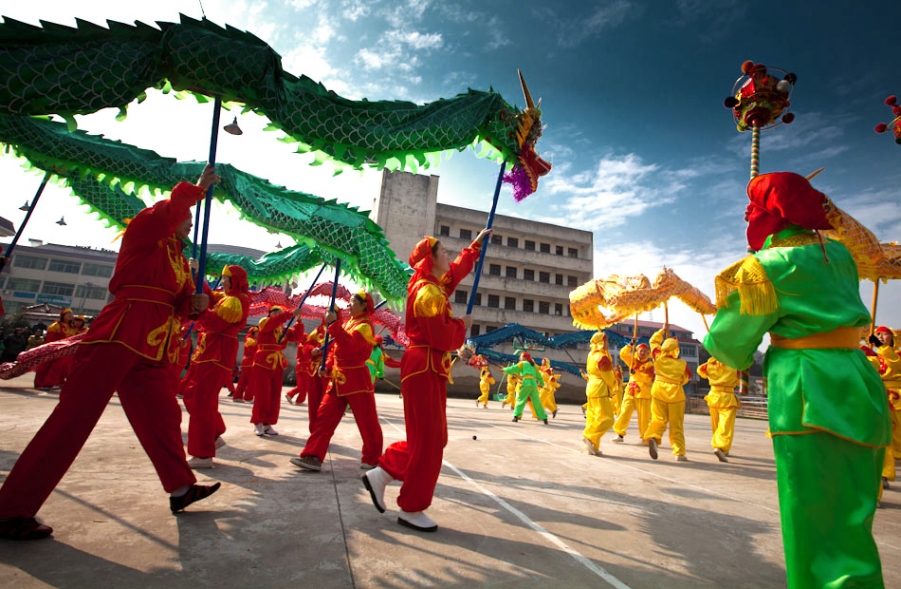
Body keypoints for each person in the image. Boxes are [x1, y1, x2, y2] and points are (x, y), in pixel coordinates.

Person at [0, 165, 222, 541]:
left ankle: (181, 488)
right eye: (186, 217)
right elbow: (164, 215)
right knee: (73, 420)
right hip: (117, 337)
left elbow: (177, 305)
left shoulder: (181, 259)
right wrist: (195, 191)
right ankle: (10, 510)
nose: (189, 224)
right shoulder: (145, 232)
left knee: (163, 417)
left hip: (151, 346)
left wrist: (195, 303)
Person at [704, 171, 891, 588]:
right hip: (859, 380)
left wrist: (736, 288)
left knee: (814, 518)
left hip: (810, 390)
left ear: (769, 215)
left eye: (753, 206)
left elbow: (729, 345)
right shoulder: (840, 255)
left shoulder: (767, 267)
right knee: (852, 518)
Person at [362, 229, 488, 533]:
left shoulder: (431, 285)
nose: (448, 255)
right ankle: (411, 506)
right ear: (430, 260)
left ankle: (383, 474)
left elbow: (454, 274)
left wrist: (473, 249)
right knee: (429, 441)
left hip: (426, 366)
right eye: (443, 251)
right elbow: (442, 336)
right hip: (424, 364)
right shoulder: (428, 293)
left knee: (432, 439)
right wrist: (462, 324)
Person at [292, 291, 383, 471]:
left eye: (352, 302)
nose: (348, 305)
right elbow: (336, 350)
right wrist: (326, 364)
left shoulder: (365, 326)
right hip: (337, 377)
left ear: (363, 305)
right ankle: (313, 455)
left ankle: (373, 458)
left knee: (367, 422)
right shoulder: (349, 323)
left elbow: (350, 347)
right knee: (323, 419)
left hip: (356, 378)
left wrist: (334, 324)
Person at [181, 265, 250, 469]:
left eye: (226, 278)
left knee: (202, 401)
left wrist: (202, 310)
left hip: (216, 355)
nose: (223, 281)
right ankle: (215, 433)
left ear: (235, 280)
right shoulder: (227, 298)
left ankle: (202, 454)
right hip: (206, 353)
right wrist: (196, 274)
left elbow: (215, 323)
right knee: (192, 395)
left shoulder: (237, 301)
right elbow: (210, 297)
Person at [249, 305, 302, 436]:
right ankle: (258, 422)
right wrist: (288, 314)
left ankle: (268, 422)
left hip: (277, 363)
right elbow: (272, 323)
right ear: (270, 313)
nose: (278, 315)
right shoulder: (264, 322)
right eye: (276, 312)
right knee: (263, 394)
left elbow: (296, 336)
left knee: (274, 396)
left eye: (280, 313)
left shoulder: (283, 330)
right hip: (262, 362)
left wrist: (299, 321)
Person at [861, 326, 901, 494]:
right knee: (883, 438)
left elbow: (893, 365)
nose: (881, 336)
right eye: (878, 334)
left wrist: (882, 348)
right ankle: (882, 475)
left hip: (897, 399)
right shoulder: (872, 355)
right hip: (878, 397)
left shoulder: (896, 355)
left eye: (884, 334)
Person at [644, 327, 691, 461]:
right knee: (676, 424)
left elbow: (653, 341)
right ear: (676, 349)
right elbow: (685, 378)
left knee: (658, 419)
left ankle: (653, 436)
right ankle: (679, 452)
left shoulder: (657, 356)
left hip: (658, 390)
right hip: (675, 394)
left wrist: (662, 331)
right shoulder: (682, 363)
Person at [698, 356, 740, 462]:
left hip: (713, 396)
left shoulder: (708, 366)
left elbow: (700, 371)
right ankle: (721, 447)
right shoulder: (734, 366)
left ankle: (719, 447)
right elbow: (741, 379)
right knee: (726, 425)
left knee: (715, 424)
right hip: (727, 397)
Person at [612, 342, 654, 443]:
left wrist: (637, 373)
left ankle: (645, 438)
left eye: (645, 351)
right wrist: (630, 345)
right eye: (641, 351)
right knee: (624, 412)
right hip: (631, 390)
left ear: (648, 353)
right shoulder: (633, 360)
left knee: (644, 417)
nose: (643, 353)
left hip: (643, 392)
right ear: (637, 351)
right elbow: (623, 354)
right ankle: (620, 434)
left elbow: (649, 379)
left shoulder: (649, 365)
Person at [582, 332, 616, 456]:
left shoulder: (591, 355)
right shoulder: (602, 358)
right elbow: (608, 377)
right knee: (607, 419)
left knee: (593, 418)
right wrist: (614, 386)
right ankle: (590, 437)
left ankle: (593, 447)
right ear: (601, 343)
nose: (608, 344)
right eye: (606, 341)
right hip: (601, 389)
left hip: (591, 388)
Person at [32, 308, 76, 389]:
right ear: (63, 316)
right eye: (68, 314)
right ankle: (41, 383)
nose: (70, 315)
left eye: (71, 314)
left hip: (64, 351)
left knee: (59, 367)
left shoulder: (71, 327)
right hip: (53, 349)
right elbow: (50, 339)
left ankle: (52, 382)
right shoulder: (56, 325)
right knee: (46, 366)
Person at [505, 352, 548, 424]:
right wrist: (541, 383)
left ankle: (516, 416)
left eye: (521, 357)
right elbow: (539, 375)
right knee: (537, 402)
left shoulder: (522, 364)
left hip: (525, 383)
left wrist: (504, 370)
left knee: (520, 400)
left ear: (524, 358)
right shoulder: (533, 365)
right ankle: (544, 418)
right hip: (533, 384)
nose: (520, 358)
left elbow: (513, 369)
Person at [232, 326, 257, 402]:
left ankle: (237, 396)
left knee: (243, 380)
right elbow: (254, 348)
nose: (258, 334)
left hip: (248, 361)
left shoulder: (249, 339)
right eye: (257, 333)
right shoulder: (250, 340)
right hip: (250, 361)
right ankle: (248, 397)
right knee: (251, 380)